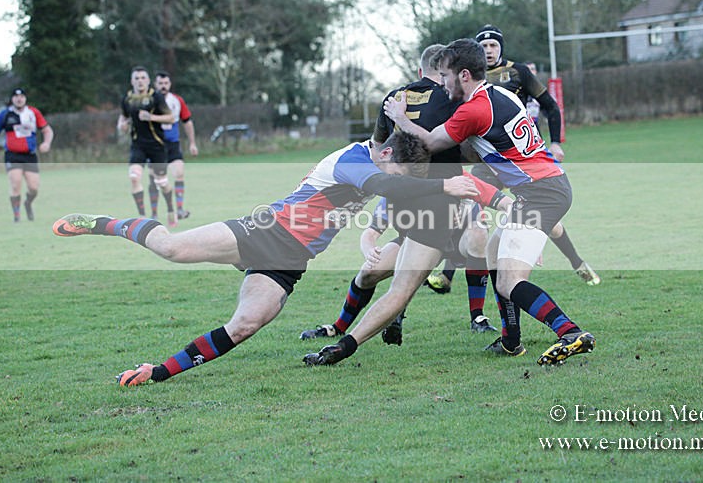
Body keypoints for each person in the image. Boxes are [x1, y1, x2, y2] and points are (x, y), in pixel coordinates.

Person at [52, 131, 478, 386]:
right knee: (172, 248)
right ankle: (104, 223)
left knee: (245, 326)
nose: (393, 182)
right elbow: (393, 187)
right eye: (396, 173)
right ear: (385, 155)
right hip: (266, 229)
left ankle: (157, 372)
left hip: (290, 261)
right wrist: (444, 189)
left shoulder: (386, 161)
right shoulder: (355, 159)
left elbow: (403, 170)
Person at [305, 38, 594, 367]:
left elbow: (428, 141)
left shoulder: (473, 109)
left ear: (465, 75)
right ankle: (511, 342)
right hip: (546, 187)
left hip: (541, 192)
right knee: (495, 257)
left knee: (510, 280)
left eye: (445, 76)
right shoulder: (502, 95)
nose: (441, 83)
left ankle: (569, 331)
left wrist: (400, 117)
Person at [300, 45, 502, 340]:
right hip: (427, 207)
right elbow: (473, 150)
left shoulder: (395, 100)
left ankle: (474, 317)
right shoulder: (458, 100)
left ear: (421, 71)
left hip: (434, 206)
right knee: (377, 273)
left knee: (413, 276)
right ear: (444, 71)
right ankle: (346, 328)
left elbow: (377, 152)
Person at [425, 25, 601, 288]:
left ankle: (574, 260)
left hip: (521, 158)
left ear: (501, 47)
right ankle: (448, 274)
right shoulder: (469, 84)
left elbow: (550, 106)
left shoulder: (519, 72)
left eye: (493, 45)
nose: (488, 50)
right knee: (472, 208)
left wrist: (554, 142)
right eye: (483, 46)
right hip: (489, 159)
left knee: (543, 221)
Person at [116, 66, 178, 225]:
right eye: (136, 78)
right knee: (134, 177)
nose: (140, 81)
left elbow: (170, 118)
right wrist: (122, 126)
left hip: (157, 145)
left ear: (148, 80)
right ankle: (143, 217)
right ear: (132, 81)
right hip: (138, 145)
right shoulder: (127, 99)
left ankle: (171, 209)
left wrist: (151, 117)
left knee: (162, 183)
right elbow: (123, 119)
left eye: (143, 78)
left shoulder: (155, 97)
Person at [0, 88, 54, 222]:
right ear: (12, 99)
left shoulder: (33, 113)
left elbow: (47, 130)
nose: (19, 99)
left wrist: (46, 143)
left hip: (30, 155)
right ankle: (16, 216)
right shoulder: (5, 115)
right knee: (15, 184)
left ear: (25, 98)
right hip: (12, 155)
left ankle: (28, 203)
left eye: (22, 96)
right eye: (16, 97)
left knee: (33, 188)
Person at [149, 71, 198, 221]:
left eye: (166, 83)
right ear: (155, 84)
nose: (163, 86)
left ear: (169, 84)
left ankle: (180, 209)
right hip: (155, 145)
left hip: (173, 145)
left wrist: (192, 143)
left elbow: (187, 121)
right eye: (160, 83)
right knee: (154, 180)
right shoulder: (149, 101)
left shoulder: (177, 100)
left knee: (179, 174)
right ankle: (154, 214)